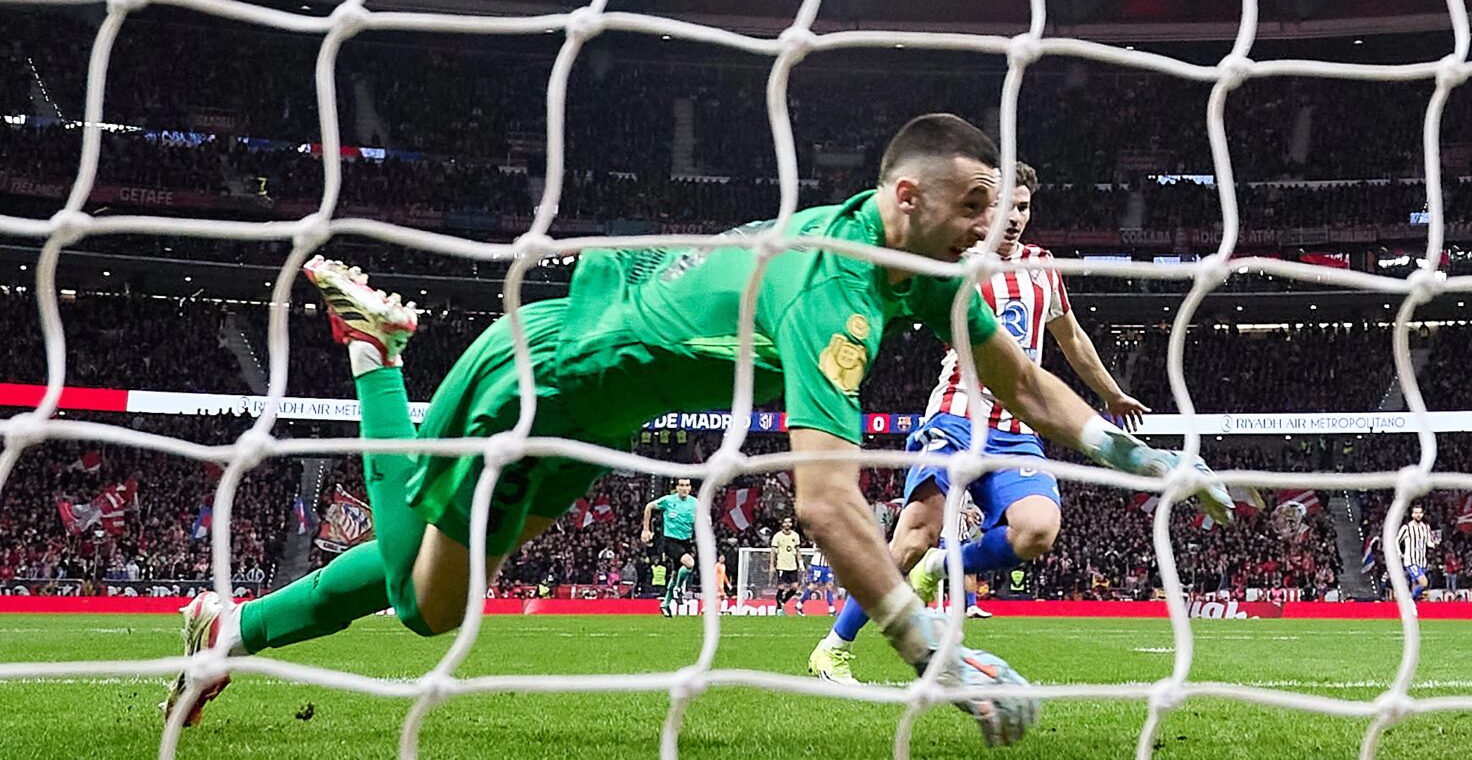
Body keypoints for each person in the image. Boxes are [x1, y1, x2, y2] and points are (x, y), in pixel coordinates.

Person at [166, 113, 1237, 749]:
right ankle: (376, 357)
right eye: (974, 209)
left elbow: (1028, 385)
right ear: (908, 197)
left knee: (433, 575)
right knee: (425, 607)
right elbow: (826, 506)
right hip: (539, 388)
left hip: (593, 403)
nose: (989, 229)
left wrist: (1144, 460)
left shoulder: (917, 266)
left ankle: (231, 629)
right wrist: (931, 655)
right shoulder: (834, 293)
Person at [835, 162, 1148, 646]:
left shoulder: (1042, 266)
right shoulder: (958, 260)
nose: (1015, 217)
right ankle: (835, 646)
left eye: (1023, 207)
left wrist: (1111, 394)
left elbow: (1072, 338)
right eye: (1006, 206)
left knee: (1038, 531)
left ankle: (942, 566)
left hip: (1018, 428)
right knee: (914, 536)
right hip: (958, 415)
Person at [639, 479, 698, 616]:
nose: (684, 488)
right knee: (690, 563)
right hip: (669, 541)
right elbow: (649, 506)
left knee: (676, 574)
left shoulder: (695, 503)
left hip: (686, 542)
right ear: (677, 487)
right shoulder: (668, 500)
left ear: (690, 488)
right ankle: (678, 589)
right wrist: (646, 530)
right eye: (681, 485)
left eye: (687, 485)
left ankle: (665, 604)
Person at [1395, 503, 1439, 596]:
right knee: (1424, 583)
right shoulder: (1407, 528)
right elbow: (1397, 540)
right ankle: (1410, 598)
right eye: (1416, 513)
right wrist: (1399, 553)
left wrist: (1434, 544)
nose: (1418, 515)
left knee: (1417, 585)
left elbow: (1428, 542)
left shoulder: (1426, 527)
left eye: (1420, 513)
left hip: (1422, 562)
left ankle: (1413, 601)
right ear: (1412, 515)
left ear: (1422, 514)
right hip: (1411, 561)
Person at [772, 515, 806, 615]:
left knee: (794, 587)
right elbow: (773, 552)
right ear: (782, 524)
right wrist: (772, 565)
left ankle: (782, 602)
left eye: (789, 522)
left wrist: (801, 564)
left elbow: (798, 551)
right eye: (785, 522)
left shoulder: (795, 536)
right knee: (781, 588)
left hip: (792, 566)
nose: (787, 524)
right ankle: (779, 609)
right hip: (781, 566)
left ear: (791, 524)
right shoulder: (777, 536)